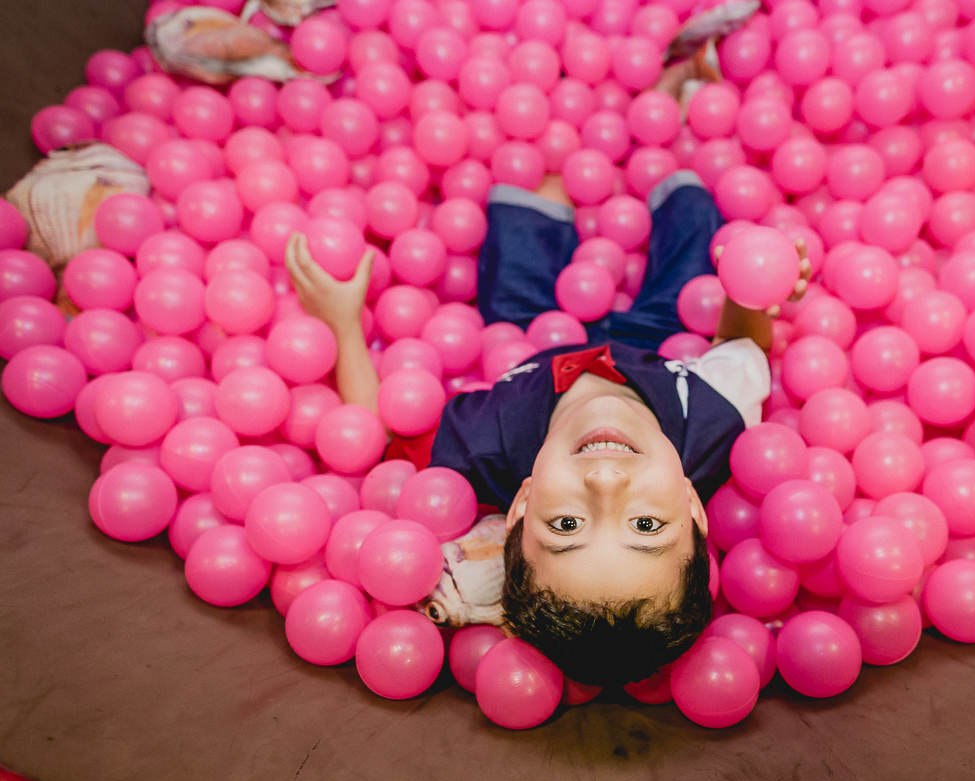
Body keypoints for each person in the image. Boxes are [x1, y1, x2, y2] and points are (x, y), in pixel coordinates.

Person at [285, 172, 810, 688]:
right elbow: (744, 352)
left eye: (565, 526)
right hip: (654, 338)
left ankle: (557, 187)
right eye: (647, 526)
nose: (606, 483)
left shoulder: (480, 446)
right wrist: (750, 293)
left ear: (520, 508)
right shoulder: (714, 419)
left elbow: (375, 432)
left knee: (524, 214)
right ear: (693, 506)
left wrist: (343, 322)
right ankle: (675, 163)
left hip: (527, 339)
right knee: (698, 215)